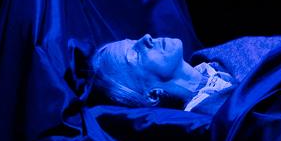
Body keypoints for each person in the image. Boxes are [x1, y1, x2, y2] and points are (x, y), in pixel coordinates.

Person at [89, 33, 238, 113]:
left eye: (134, 40)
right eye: (135, 54)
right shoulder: (215, 117)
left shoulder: (229, 51)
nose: (146, 37)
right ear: (152, 95)